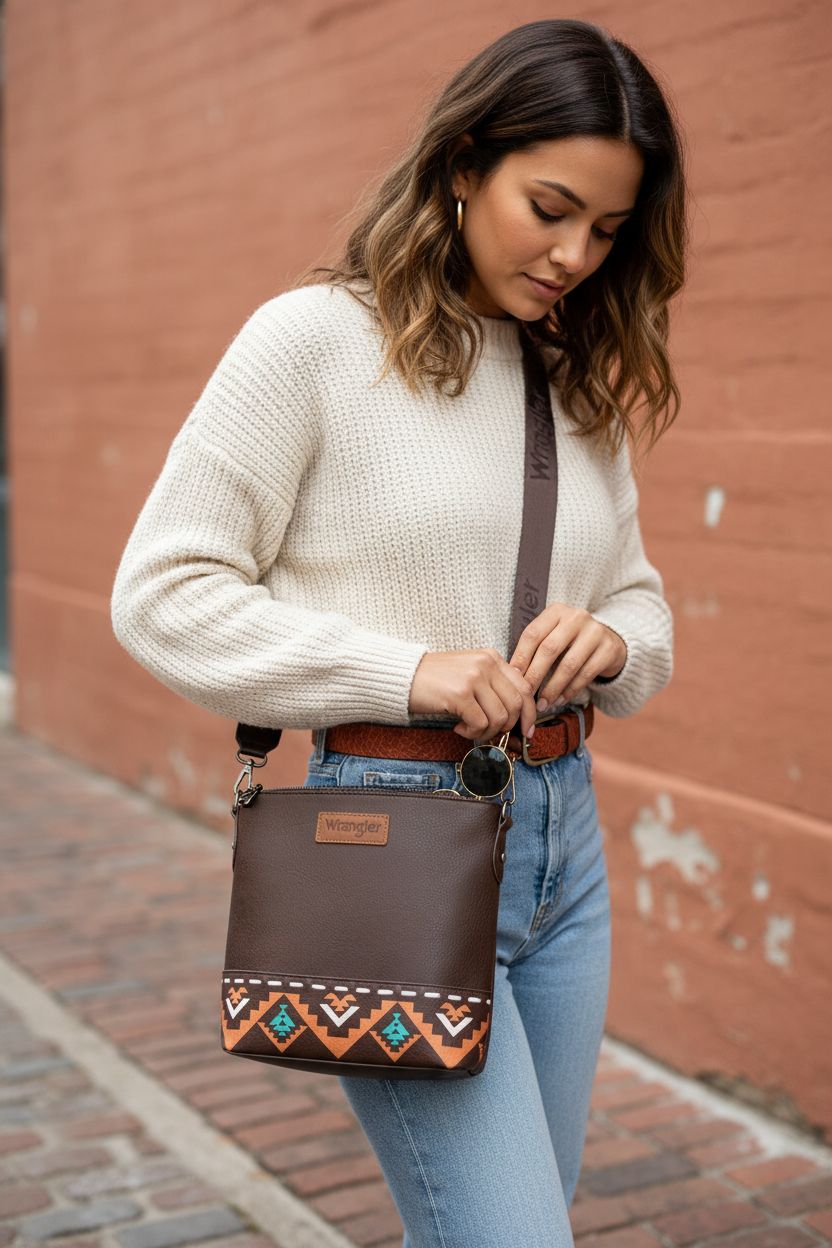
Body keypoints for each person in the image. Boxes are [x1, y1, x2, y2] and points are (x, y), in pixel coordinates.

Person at [110, 16, 684, 1246]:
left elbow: (641, 601)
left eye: (609, 229)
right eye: (550, 207)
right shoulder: (312, 342)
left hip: (561, 850)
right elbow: (161, 592)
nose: (577, 253)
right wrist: (403, 670)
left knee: (500, 1223)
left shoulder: (568, 378)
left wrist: (612, 644)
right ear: (464, 161)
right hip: (394, 841)